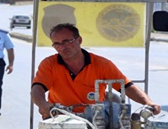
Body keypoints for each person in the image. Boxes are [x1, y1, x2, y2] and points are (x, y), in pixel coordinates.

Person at [31, 23, 161, 119]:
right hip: (60, 118)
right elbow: (37, 89)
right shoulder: (49, 64)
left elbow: (126, 86)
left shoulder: (101, 64)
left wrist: (148, 103)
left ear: (79, 40)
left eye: (66, 41)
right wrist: (44, 105)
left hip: (96, 120)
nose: (62, 47)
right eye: (57, 44)